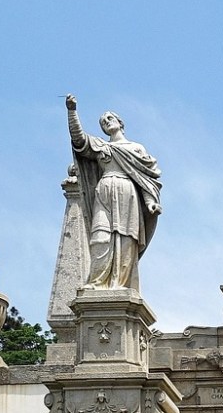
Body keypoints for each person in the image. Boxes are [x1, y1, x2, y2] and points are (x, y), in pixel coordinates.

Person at [67, 95, 162, 292]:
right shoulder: (102, 146)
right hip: (104, 194)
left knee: (127, 239)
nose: (106, 122)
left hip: (128, 194)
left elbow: (144, 179)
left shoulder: (136, 148)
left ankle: (121, 284)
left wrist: (150, 200)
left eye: (110, 118)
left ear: (120, 123)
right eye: (103, 122)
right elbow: (79, 140)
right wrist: (72, 111)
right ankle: (96, 282)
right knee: (99, 239)